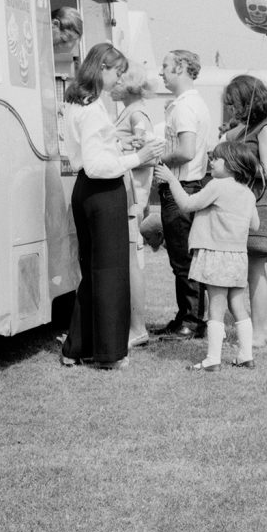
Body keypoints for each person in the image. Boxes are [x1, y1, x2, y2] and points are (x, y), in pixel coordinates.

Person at [60, 43, 163, 369]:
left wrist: (119, 143)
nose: (119, 79)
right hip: (102, 192)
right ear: (102, 67)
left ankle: (78, 347)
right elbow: (96, 165)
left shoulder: (79, 102)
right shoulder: (92, 109)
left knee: (93, 273)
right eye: (117, 72)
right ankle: (108, 353)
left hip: (88, 192)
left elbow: (94, 151)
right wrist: (138, 157)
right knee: (110, 274)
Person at [155, 141, 261, 370]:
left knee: (216, 305)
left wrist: (171, 179)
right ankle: (246, 355)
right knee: (238, 305)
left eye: (216, 158)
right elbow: (255, 224)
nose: (211, 161)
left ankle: (212, 359)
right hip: (238, 257)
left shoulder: (217, 185)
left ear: (231, 164)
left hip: (217, 256)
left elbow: (186, 204)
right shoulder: (249, 193)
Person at [154, 50, 212, 340]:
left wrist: (159, 158)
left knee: (183, 259)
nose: (160, 72)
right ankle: (185, 315)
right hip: (186, 186)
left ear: (180, 68)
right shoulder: (188, 103)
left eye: (165, 66)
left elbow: (186, 151)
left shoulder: (184, 107)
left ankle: (192, 319)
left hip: (181, 187)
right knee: (181, 258)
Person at [222, 74, 267, 346]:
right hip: (245, 202)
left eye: (235, 104)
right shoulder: (249, 127)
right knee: (255, 270)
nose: (233, 110)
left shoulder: (266, 129)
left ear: (248, 100)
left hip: (257, 202)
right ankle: (265, 330)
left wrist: (234, 160)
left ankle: (261, 331)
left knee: (256, 269)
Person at [112, 61, 157, 348]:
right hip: (128, 194)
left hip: (131, 196)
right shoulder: (130, 112)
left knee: (132, 265)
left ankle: (138, 328)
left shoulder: (137, 114)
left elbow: (150, 153)